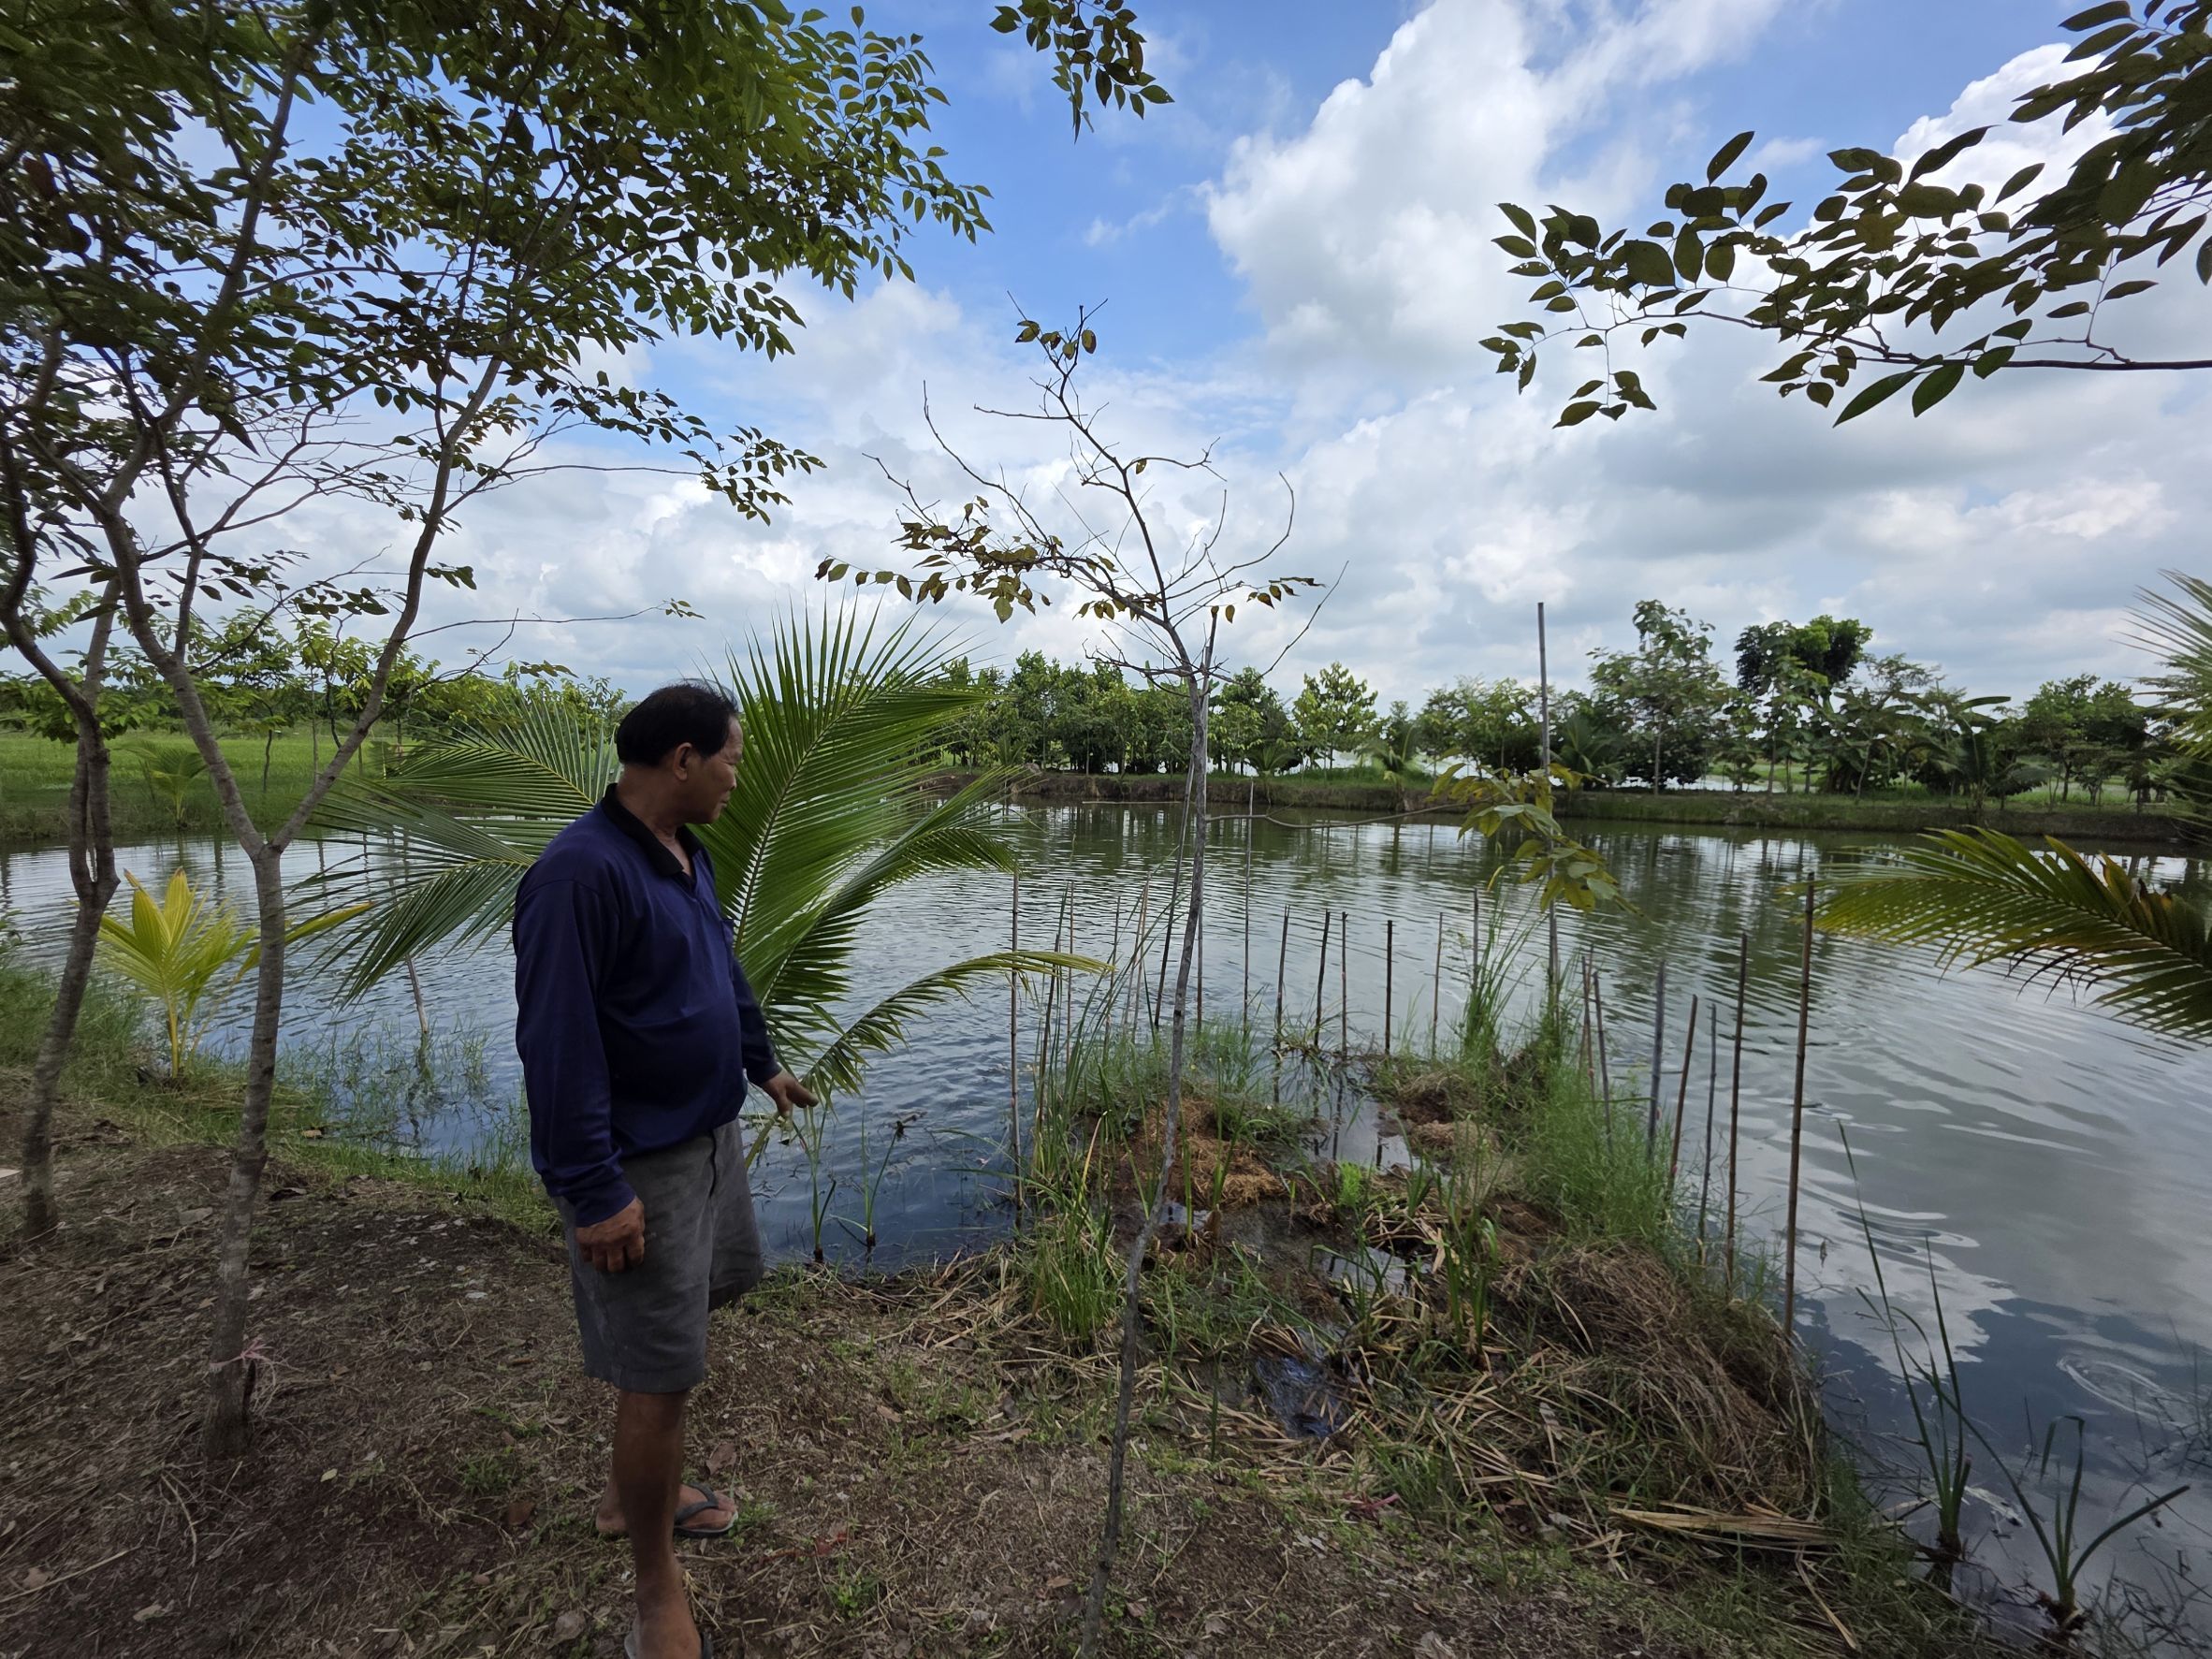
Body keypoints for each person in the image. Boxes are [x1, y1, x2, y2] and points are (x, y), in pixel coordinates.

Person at [514, 681, 816, 1659]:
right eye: (730, 759)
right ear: (682, 760)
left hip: (705, 1137)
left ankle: (627, 1494)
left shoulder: (688, 855)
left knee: (677, 1337)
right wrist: (597, 1194)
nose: (737, 776)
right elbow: (556, 1044)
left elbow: (718, 970)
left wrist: (758, 1058)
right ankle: (655, 1591)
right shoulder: (578, 876)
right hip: (638, 1163)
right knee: (661, 1375)